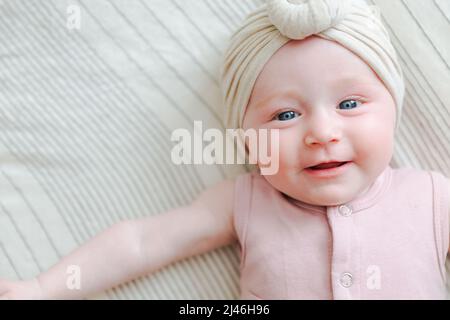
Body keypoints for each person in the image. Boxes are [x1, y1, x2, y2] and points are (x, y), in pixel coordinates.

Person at [1, 0, 449, 300]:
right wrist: (41, 288)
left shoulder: (431, 199)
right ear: (246, 137)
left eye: (349, 104)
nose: (321, 132)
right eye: (284, 116)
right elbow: (142, 242)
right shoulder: (248, 200)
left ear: (394, 107)